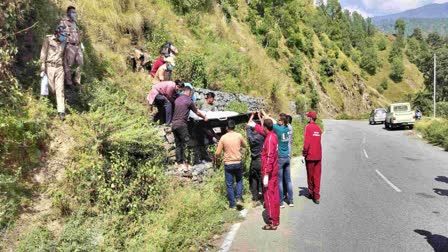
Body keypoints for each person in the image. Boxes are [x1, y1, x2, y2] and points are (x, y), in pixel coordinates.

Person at [248, 117, 279, 230]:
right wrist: (255, 125)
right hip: (274, 171)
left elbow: (270, 157)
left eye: (263, 127)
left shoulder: (270, 140)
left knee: (269, 197)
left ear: (266, 127)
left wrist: (266, 174)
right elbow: (262, 131)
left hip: (269, 173)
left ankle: (272, 223)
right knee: (274, 195)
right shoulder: (272, 135)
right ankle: (276, 219)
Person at [172, 83, 208, 168]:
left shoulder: (177, 99)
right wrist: (204, 117)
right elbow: (197, 112)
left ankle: (179, 163)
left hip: (174, 125)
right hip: (181, 124)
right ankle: (186, 162)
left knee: (178, 144)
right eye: (191, 92)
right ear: (188, 91)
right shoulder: (188, 100)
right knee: (186, 143)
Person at [262, 111, 294, 208]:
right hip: (287, 156)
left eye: (279, 119)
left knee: (279, 180)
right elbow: (275, 121)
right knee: (288, 180)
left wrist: (263, 113)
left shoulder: (278, 129)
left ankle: (280, 202)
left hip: (280, 157)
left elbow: (269, 121)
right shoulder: (288, 129)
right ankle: (291, 200)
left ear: (282, 121)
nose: (278, 121)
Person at [215, 120, 247, 209]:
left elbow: (217, 153)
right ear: (234, 127)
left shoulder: (223, 138)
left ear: (226, 128)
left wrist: (217, 158)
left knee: (229, 184)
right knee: (239, 181)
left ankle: (232, 205)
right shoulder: (239, 136)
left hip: (228, 163)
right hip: (237, 162)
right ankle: (239, 199)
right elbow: (245, 145)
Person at [40, 25, 68, 120]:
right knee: (51, 89)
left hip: (59, 68)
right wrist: (42, 65)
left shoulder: (65, 42)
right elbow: (43, 53)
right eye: (62, 35)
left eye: (64, 36)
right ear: (56, 34)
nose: (63, 37)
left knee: (60, 89)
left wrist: (66, 68)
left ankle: (61, 112)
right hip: (49, 67)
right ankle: (45, 107)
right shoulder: (48, 39)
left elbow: (65, 56)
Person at [60, 6, 83, 86]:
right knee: (68, 64)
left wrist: (80, 42)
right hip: (69, 46)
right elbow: (60, 35)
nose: (74, 14)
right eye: (72, 12)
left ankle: (77, 81)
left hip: (77, 46)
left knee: (80, 62)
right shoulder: (64, 22)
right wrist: (63, 44)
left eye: (74, 12)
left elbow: (77, 34)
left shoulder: (74, 23)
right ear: (68, 13)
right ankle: (68, 82)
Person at [302, 111, 322, 204]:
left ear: (310, 118)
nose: (307, 118)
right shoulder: (318, 128)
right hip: (318, 156)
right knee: (317, 176)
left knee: (310, 176)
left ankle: (310, 192)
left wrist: (304, 154)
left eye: (307, 117)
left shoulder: (308, 127)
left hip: (310, 156)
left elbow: (306, 143)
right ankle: (316, 196)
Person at [246, 113, 265, 205]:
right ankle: (265, 198)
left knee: (253, 179)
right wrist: (260, 117)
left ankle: (255, 197)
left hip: (253, 160)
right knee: (262, 179)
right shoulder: (261, 136)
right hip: (261, 160)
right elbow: (263, 128)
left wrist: (252, 116)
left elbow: (247, 126)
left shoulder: (250, 137)